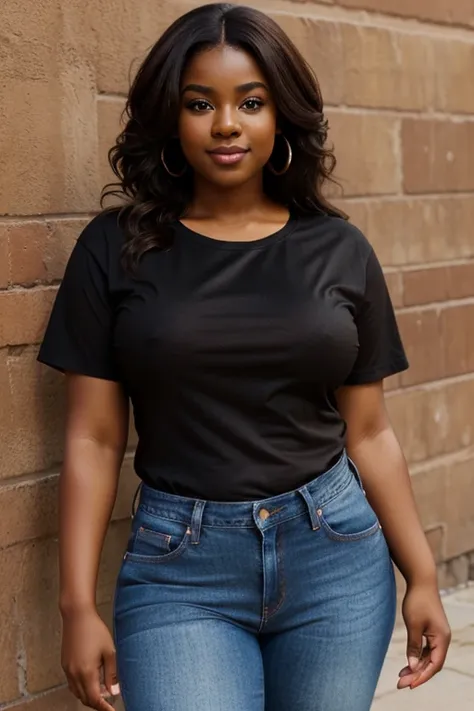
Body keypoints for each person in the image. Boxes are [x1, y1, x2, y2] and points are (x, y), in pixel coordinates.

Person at [37, 4, 451, 711]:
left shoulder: (339, 249)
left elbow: (371, 430)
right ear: (172, 117)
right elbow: (94, 437)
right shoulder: (115, 249)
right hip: (181, 571)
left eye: (250, 103)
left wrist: (420, 575)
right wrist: (77, 604)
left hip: (336, 556)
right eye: (200, 103)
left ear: (279, 117)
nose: (226, 123)